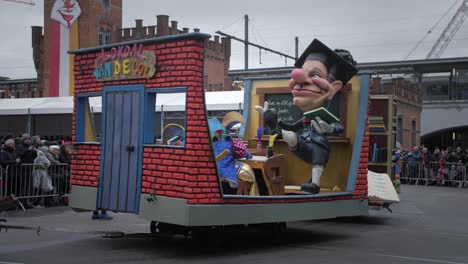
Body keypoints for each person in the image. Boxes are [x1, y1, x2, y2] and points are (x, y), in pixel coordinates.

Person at [257, 39, 358, 194]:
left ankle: (314, 184)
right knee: (291, 135)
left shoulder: (325, 115)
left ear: (335, 87)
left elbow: (339, 128)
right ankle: (277, 131)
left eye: (315, 74)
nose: (300, 80)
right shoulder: (305, 117)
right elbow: (293, 126)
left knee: (318, 160)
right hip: (303, 145)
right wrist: (273, 119)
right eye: (303, 73)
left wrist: (329, 127)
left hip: (319, 147)